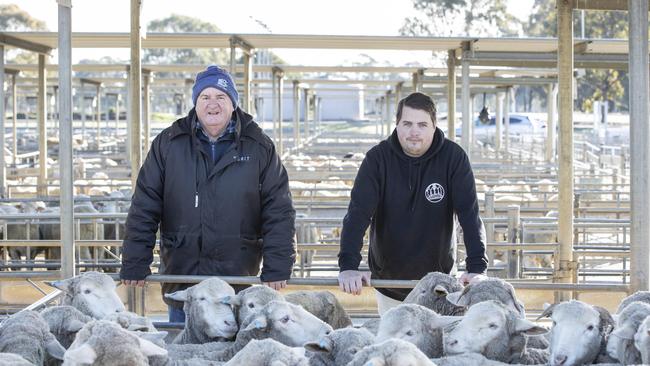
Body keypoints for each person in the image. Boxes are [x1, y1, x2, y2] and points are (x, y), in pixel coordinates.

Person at [120, 65, 296, 322]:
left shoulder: (259, 146)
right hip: (184, 279)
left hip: (236, 282)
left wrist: (278, 265)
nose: (212, 104)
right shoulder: (169, 143)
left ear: (233, 103)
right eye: (205, 97)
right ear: (195, 102)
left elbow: (278, 209)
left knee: (235, 358)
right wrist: (135, 261)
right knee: (184, 352)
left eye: (221, 97)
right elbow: (145, 204)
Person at [337, 92, 488, 315]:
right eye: (407, 123)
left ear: (434, 126)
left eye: (422, 124)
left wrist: (477, 268)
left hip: (439, 284)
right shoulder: (377, 159)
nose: (414, 131)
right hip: (390, 283)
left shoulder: (453, 158)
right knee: (396, 344)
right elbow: (358, 214)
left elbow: (469, 213)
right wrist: (348, 266)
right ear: (397, 125)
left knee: (438, 344)